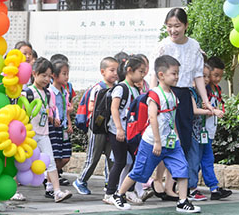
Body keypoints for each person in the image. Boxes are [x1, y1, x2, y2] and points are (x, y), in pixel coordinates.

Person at [111, 55, 201, 213]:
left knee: (182, 168)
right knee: (139, 171)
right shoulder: (154, 94)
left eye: (177, 73)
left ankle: (183, 200)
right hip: (152, 143)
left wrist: (177, 138)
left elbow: (172, 118)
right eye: (173, 73)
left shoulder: (173, 95)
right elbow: (152, 118)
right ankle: (118, 195)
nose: (177, 76)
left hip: (171, 143)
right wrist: (158, 142)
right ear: (161, 75)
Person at [150, 8, 220, 199]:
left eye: (177, 26)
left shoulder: (194, 46)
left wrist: (206, 103)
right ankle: (158, 180)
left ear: (186, 26)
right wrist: (152, 99)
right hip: (165, 95)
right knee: (165, 139)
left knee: (182, 143)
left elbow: (197, 76)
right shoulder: (163, 46)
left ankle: (170, 186)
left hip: (185, 96)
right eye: (169, 26)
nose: (173, 30)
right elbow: (154, 76)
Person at [22, 57, 72, 203]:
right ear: (34, 74)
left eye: (49, 76)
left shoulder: (48, 93)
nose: (46, 79)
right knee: (21, 162)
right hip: (30, 134)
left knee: (50, 161)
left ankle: (57, 192)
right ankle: (12, 191)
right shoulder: (27, 93)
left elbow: (48, 110)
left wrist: (52, 119)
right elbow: (22, 114)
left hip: (44, 134)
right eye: (43, 75)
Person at [187, 58, 232, 201]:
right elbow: (199, 109)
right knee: (203, 159)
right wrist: (212, 111)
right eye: (215, 75)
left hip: (209, 132)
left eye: (220, 76)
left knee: (201, 160)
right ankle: (211, 188)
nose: (216, 79)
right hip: (199, 132)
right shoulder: (201, 90)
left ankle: (190, 185)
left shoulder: (216, 89)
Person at [73, 56, 118, 195]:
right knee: (93, 156)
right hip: (97, 127)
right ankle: (80, 180)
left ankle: (110, 184)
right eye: (112, 70)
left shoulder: (118, 88)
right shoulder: (98, 88)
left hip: (110, 128)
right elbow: (91, 107)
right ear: (103, 71)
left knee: (112, 157)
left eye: (117, 70)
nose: (115, 73)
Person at [104, 55, 145, 205]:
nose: (142, 75)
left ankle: (128, 190)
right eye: (140, 71)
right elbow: (114, 108)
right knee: (120, 162)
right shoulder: (121, 88)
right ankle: (109, 193)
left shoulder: (135, 89)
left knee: (136, 161)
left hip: (131, 133)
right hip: (118, 132)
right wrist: (120, 129)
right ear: (129, 70)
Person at [49, 59, 73, 186]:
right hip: (54, 127)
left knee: (66, 157)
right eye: (64, 73)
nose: (66, 77)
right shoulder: (50, 92)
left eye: (67, 73)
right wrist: (52, 119)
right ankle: (51, 180)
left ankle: (50, 176)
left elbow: (66, 109)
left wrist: (69, 124)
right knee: (55, 156)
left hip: (63, 127)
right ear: (54, 75)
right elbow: (47, 109)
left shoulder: (65, 92)